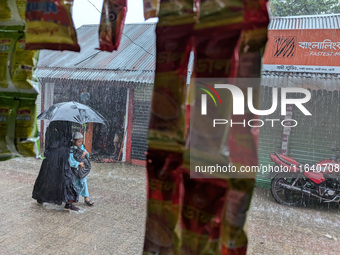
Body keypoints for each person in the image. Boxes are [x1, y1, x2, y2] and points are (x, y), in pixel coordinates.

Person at [32, 121, 79, 211]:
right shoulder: (66, 125)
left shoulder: (51, 127)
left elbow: (48, 143)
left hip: (50, 157)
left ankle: (40, 197)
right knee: (66, 178)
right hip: (61, 157)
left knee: (47, 177)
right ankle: (69, 201)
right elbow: (65, 142)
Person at [69, 132, 94, 206]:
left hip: (82, 171)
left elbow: (87, 155)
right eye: (78, 142)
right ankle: (72, 198)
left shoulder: (82, 147)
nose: (80, 143)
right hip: (75, 170)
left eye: (81, 141)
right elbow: (70, 161)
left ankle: (86, 198)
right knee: (75, 184)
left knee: (84, 182)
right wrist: (78, 164)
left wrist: (85, 153)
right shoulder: (71, 150)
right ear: (74, 141)